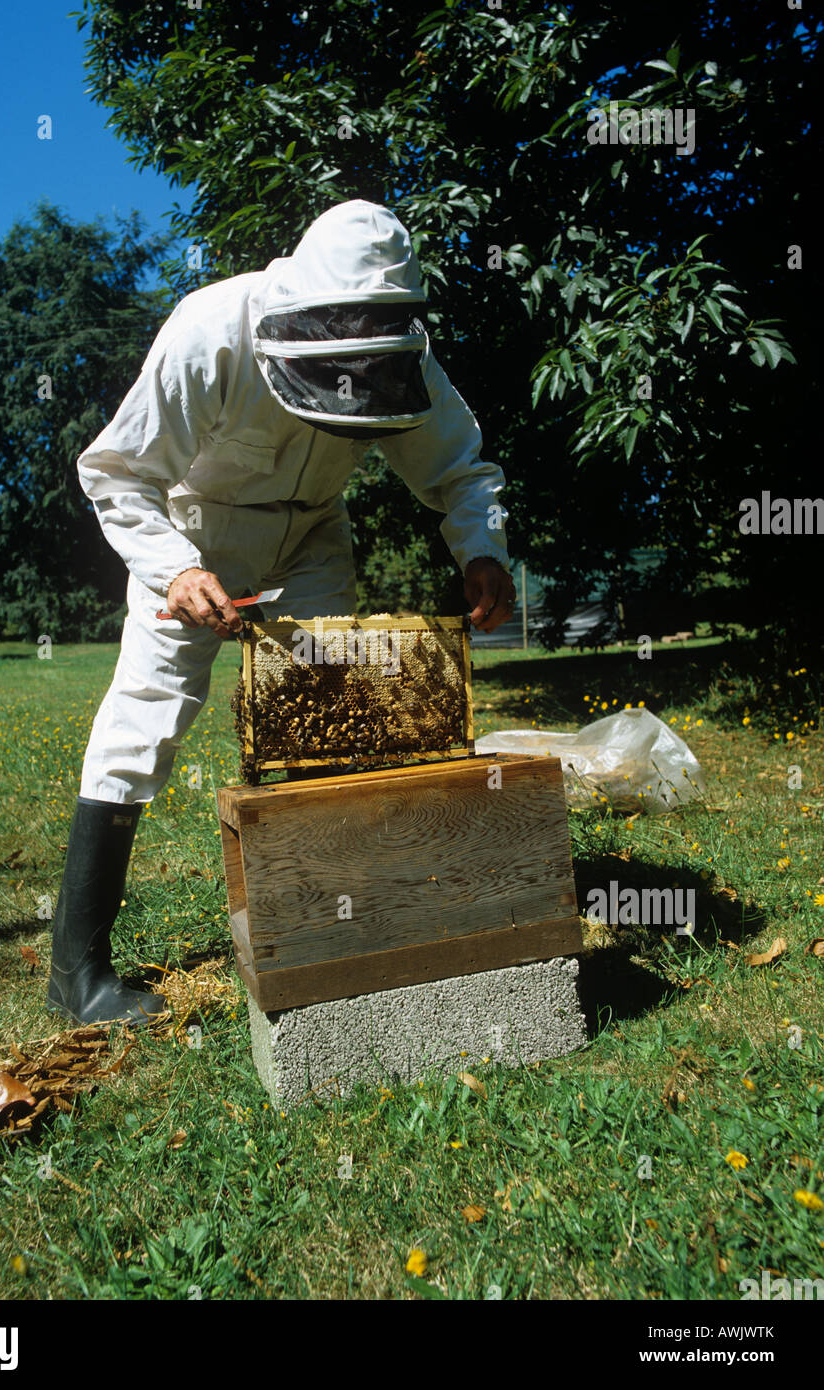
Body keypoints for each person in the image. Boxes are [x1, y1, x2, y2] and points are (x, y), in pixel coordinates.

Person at [46, 199, 515, 1027]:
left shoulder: (401, 355)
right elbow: (118, 472)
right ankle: (77, 975)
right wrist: (176, 570)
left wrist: (480, 551)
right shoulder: (210, 327)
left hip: (313, 537)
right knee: (144, 722)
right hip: (195, 529)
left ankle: (324, 927)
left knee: (327, 720)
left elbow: (457, 467)